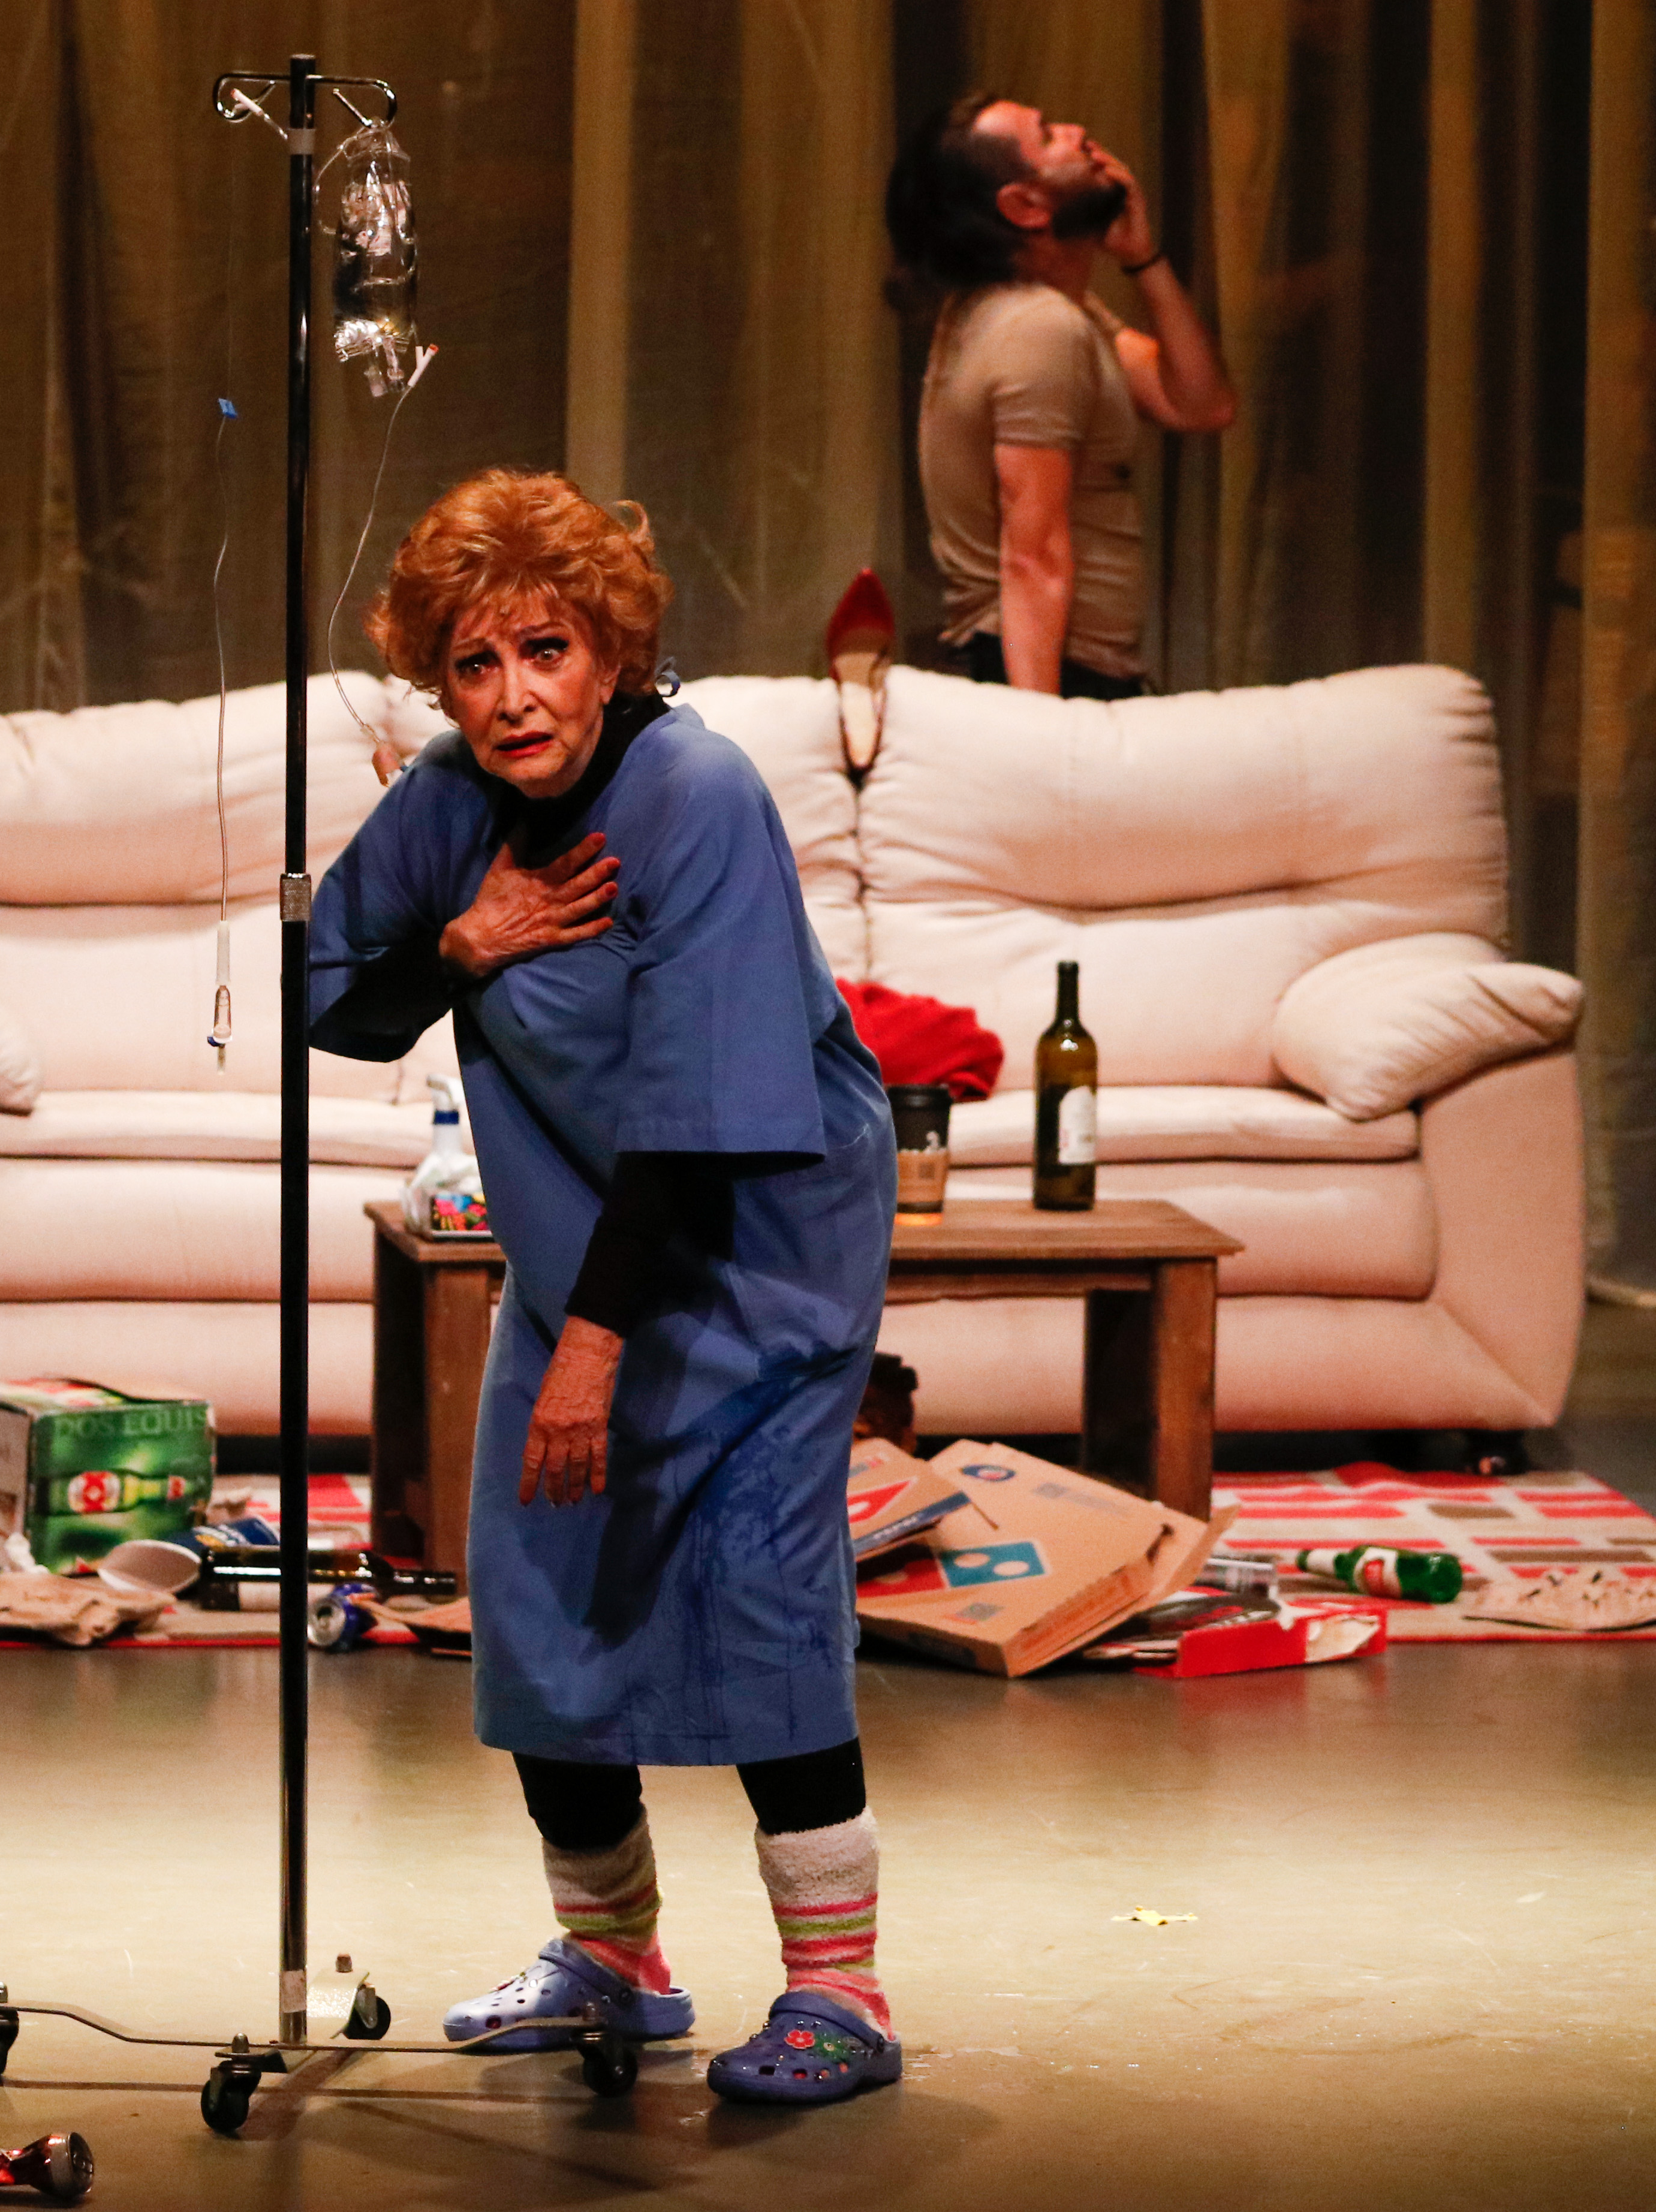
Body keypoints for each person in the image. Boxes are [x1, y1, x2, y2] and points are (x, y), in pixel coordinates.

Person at [306, 469, 904, 2106]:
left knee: (758, 1601)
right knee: (543, 1600)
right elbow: (330, 1002)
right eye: (474, 664)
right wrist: (463, 948)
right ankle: (615, 1961)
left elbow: (699, 1118)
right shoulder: (451, 800)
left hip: (755, 1257)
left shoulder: (695, 791)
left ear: (610, 650)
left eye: (545, 650)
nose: (511, 697)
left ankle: (839, 1997)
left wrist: (591, 1352)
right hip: (580, 1249)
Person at [886, 90, 1237, 698]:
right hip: (1050, 673)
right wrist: (1044, 741)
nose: (1077, 130)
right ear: (1023, 205)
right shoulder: (1040, 327)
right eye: (1048, 136)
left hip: (1067, 670)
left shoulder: (1050, 312)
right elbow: (1034, 556)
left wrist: (1143, 258)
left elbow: (1200, 404)